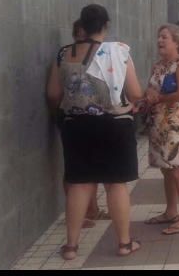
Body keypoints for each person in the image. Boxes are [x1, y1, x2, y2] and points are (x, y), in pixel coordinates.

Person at [47, 4, 143, 259]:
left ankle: (71, 247)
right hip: (114, 126)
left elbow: (53, 94)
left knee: (79, 184)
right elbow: (135, 93)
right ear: (105, 26)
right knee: (116, 185)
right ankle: (124, 244)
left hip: (76, 127)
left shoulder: (63, 54)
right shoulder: (119, 52)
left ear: (82, 25)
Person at [144, 24, 179, 235]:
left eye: (164, 37)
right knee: (166, 169)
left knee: (178, 169)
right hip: (159, 123)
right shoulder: (158, 66)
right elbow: (151, 89)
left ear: (177, 41)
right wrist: (146, 96)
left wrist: (160, 98)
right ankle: (170, 211)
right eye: (159, 36)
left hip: (177, 125)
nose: (160, 41)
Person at [62, 20, 111, 229]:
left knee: (82, 170)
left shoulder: (65, 53)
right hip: (88, 117)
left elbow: (53, 93)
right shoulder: (94, 53)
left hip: (72, 118)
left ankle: (92, 209)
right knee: (78, 172)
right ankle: (79, 214)